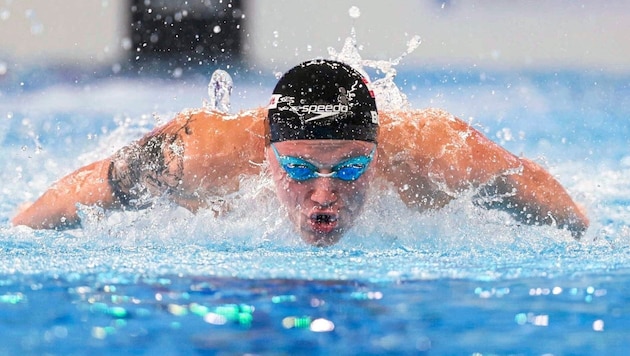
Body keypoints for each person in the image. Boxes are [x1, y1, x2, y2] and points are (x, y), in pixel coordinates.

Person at [12, 59, 589, 246]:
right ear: (266, 153)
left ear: (378, 152)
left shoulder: (441, 155)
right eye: (297, 168)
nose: (324, 192)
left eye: (351, 167)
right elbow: (85, 189)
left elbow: (546, 199)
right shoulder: (199, 154)